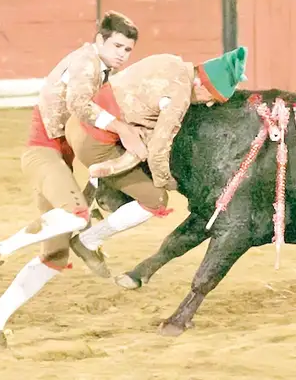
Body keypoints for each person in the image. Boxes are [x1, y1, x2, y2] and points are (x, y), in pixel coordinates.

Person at [0, 11, 146, 351]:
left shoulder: (101, 68)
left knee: (54, 254)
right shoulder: (87, 63)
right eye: (117, 46)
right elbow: (79, 104)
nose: (123, 54)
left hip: (58, 158)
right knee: (75, 214)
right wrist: (124, 128)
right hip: (44, 152)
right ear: (99, 41)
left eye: (128, 49)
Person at [62, 48, 249, 277]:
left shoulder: (171, 60)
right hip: (94, 142)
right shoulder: (178, 97)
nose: (209, 104)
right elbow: (159, 151)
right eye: (211, 97)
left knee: (138, 158)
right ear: (200, 84)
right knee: (155, 199)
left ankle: (101, 195)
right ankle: (87, 241)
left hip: (79, 122)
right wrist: (168, 181)